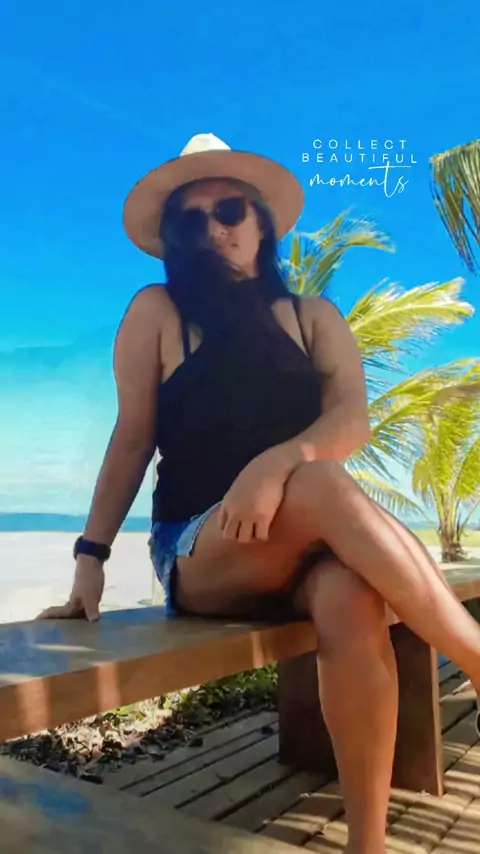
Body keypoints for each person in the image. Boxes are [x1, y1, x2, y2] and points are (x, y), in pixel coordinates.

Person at [38, 133, 480, 854]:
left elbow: (351, 421)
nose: (213, 228)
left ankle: (367, 845)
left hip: (305, 552)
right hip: (201, 548)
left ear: (261, 223)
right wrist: (91, 559)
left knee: (351, 599)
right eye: (192, 219)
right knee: (320, 478)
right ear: (175, 239)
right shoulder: (158, 312)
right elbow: (131, 438)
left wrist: (271, 466)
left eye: (230, 210)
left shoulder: (314, 318)